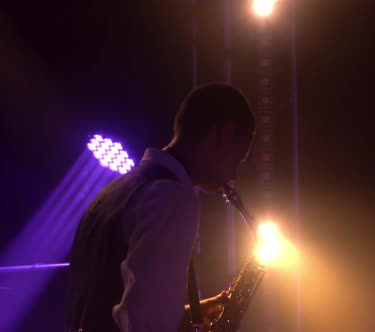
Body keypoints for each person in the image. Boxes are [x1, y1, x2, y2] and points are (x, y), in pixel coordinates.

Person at [66, 83, 256, 332]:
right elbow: (146, 324)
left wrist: (186, 315)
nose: (234, 175)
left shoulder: (114, 192)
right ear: (223, 134)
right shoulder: (172, 196)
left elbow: (114, 309)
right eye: (237, 159)